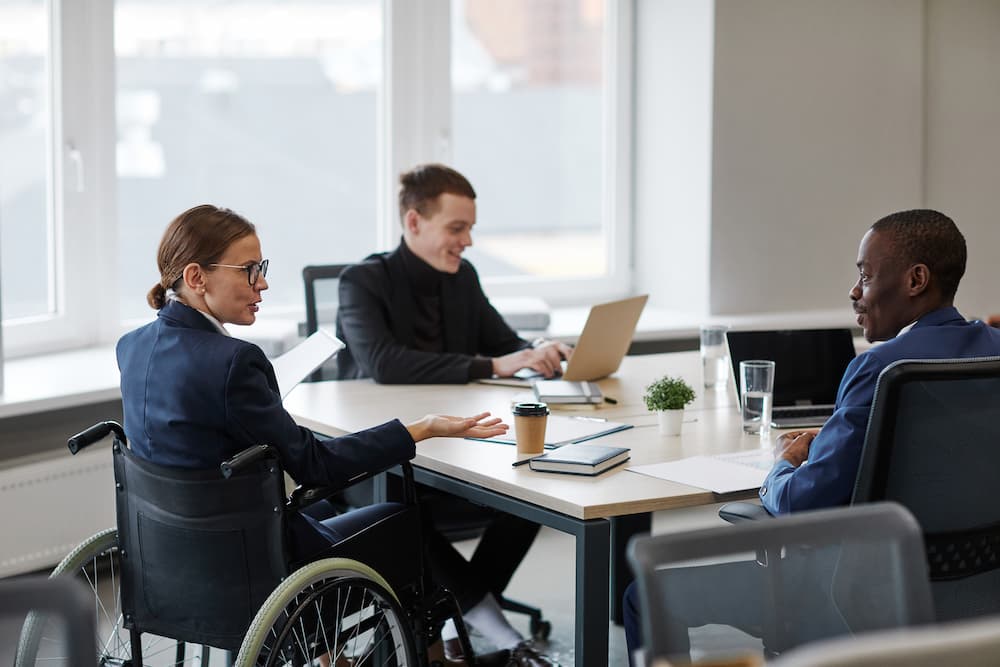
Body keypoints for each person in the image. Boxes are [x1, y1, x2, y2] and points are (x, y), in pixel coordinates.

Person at [117, 204, 553, 667]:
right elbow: (315, 465)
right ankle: (428, 657)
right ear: (196, 276)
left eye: (261, 269)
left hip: (172, 558)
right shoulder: (232, 362)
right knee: (401, 521)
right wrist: (418, 429)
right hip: (248, 567)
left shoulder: (133, 347)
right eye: (249, 271)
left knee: (323, 509)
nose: (262, 283)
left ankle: (332, 656)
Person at [622, 209, 1000, 665]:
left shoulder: (881, 369)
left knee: (645, 594)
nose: (854, 290)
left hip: (855, 590)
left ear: (916, 279)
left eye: (865, 274)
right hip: (977, 581)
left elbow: (801, 504)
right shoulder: (992, 351)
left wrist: (781, 464)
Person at [335, 162, 572, 383]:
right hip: (377, 420)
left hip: (452, 415)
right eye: (456, 229)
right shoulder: (360, 282)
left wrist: (540, 349)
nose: (468, 241)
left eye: (469, 229)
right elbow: (384, 364)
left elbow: (504, 343)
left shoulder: (462, 275)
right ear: (414, 223)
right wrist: (492, 366)